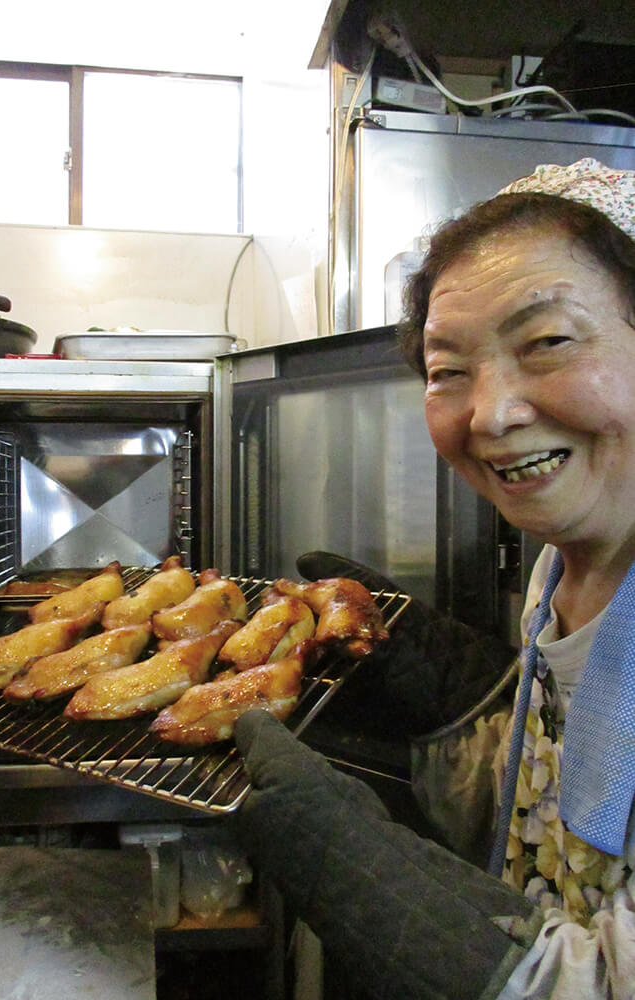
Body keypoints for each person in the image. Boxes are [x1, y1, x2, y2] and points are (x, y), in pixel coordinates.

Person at [232, 158, 635, 1000]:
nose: (489, 413)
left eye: (548, 342)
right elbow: (554, 838)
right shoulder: (555, 570)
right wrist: (461, 711)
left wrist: (379, 889)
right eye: (449, 369)